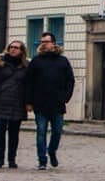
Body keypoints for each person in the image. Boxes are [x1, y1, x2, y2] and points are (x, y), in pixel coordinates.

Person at [25, 32, 74, 170]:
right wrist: (28, 101)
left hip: (57, 103)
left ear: (53, 43)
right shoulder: (36, 61)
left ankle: (52, 151)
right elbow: (29, 82)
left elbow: (70, 80)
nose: (44, 44)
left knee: (57, 131)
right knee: (41, 131)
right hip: (40, 103)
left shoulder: (62, 61)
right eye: (42, 42)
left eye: (46, 41)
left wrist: (66, 97)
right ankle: (42, 159)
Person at [0, 40, 29, 169]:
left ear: (22, 50)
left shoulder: (26, 66)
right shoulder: (0, 63)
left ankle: (12, 159)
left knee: (14, 133)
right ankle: (0, 158)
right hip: (1, 102)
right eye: (11, 47)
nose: (13, 49)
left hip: (17, 103)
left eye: (16, 47)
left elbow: (29, 84)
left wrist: (28, 100)